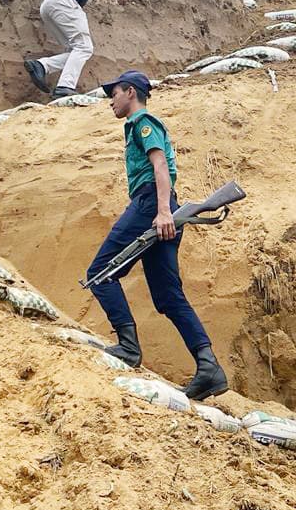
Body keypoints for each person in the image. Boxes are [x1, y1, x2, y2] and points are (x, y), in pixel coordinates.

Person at [84, 70, 226, 400]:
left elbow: (159, 165)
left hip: (152, 203)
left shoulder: (142, 123)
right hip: (159, 205)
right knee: (167, 297)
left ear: (130, 92)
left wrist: (162, 211)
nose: (111, 100)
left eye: (114, 93)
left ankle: (128, 347)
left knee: (100, 274)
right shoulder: (138, 125)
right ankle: (209, 367)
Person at [24, 0, 130, 101]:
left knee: (75, 50)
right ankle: (65, 87)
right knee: (84, 47)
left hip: (50, 3)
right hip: (65, 2)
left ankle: (42, 66)